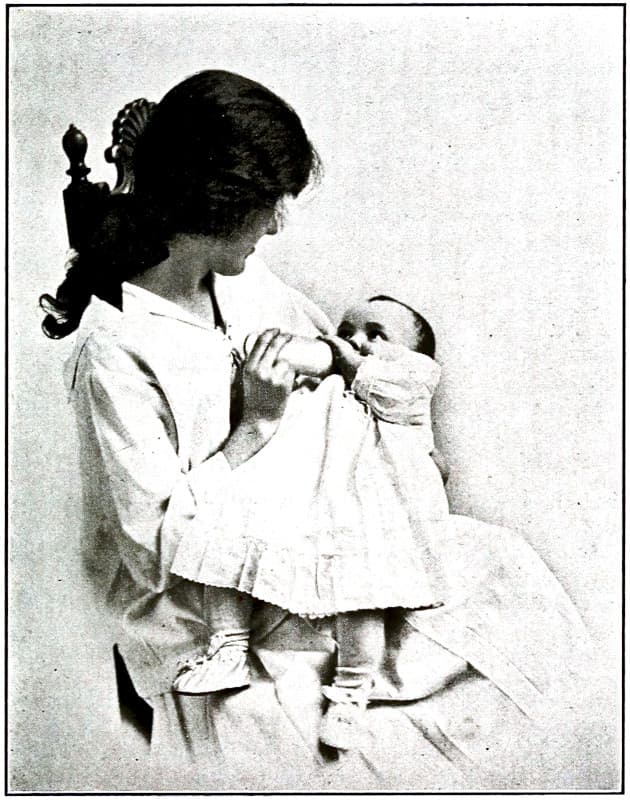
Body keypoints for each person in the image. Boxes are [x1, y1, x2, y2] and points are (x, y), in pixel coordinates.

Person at [41, 69, 592, 787]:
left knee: (508, 576)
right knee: (373, 749)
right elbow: (153, 555)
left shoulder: (248, 284)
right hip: (209, 605)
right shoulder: (116, 352)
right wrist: (255, 427)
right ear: (217, 201)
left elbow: (344, 376)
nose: (276, 226)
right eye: (269, 205)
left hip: (310, 536)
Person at [170, 294, 452, 752]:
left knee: (362, 597)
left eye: (375, 334)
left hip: (362, 506)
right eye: (346, 331)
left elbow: (391, 393)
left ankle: (350, 695)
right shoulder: (325, 385)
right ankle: (228, 647)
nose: (354, 341)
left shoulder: (408, 383)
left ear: (414, 357)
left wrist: (345, 357)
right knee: (230, 534)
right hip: (299, 489)